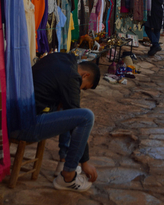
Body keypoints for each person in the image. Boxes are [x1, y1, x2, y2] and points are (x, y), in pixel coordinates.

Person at [9, 52, 100, 192]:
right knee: (86, 117)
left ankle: (63, 162)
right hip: (23, 126)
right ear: (85, 75)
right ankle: (68, 177)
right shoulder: (71, 76)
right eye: (84, 87)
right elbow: (75, 110)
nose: (80, 90)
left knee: (67, 108)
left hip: (12, 119)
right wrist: (85, 162)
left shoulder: (60, 58)